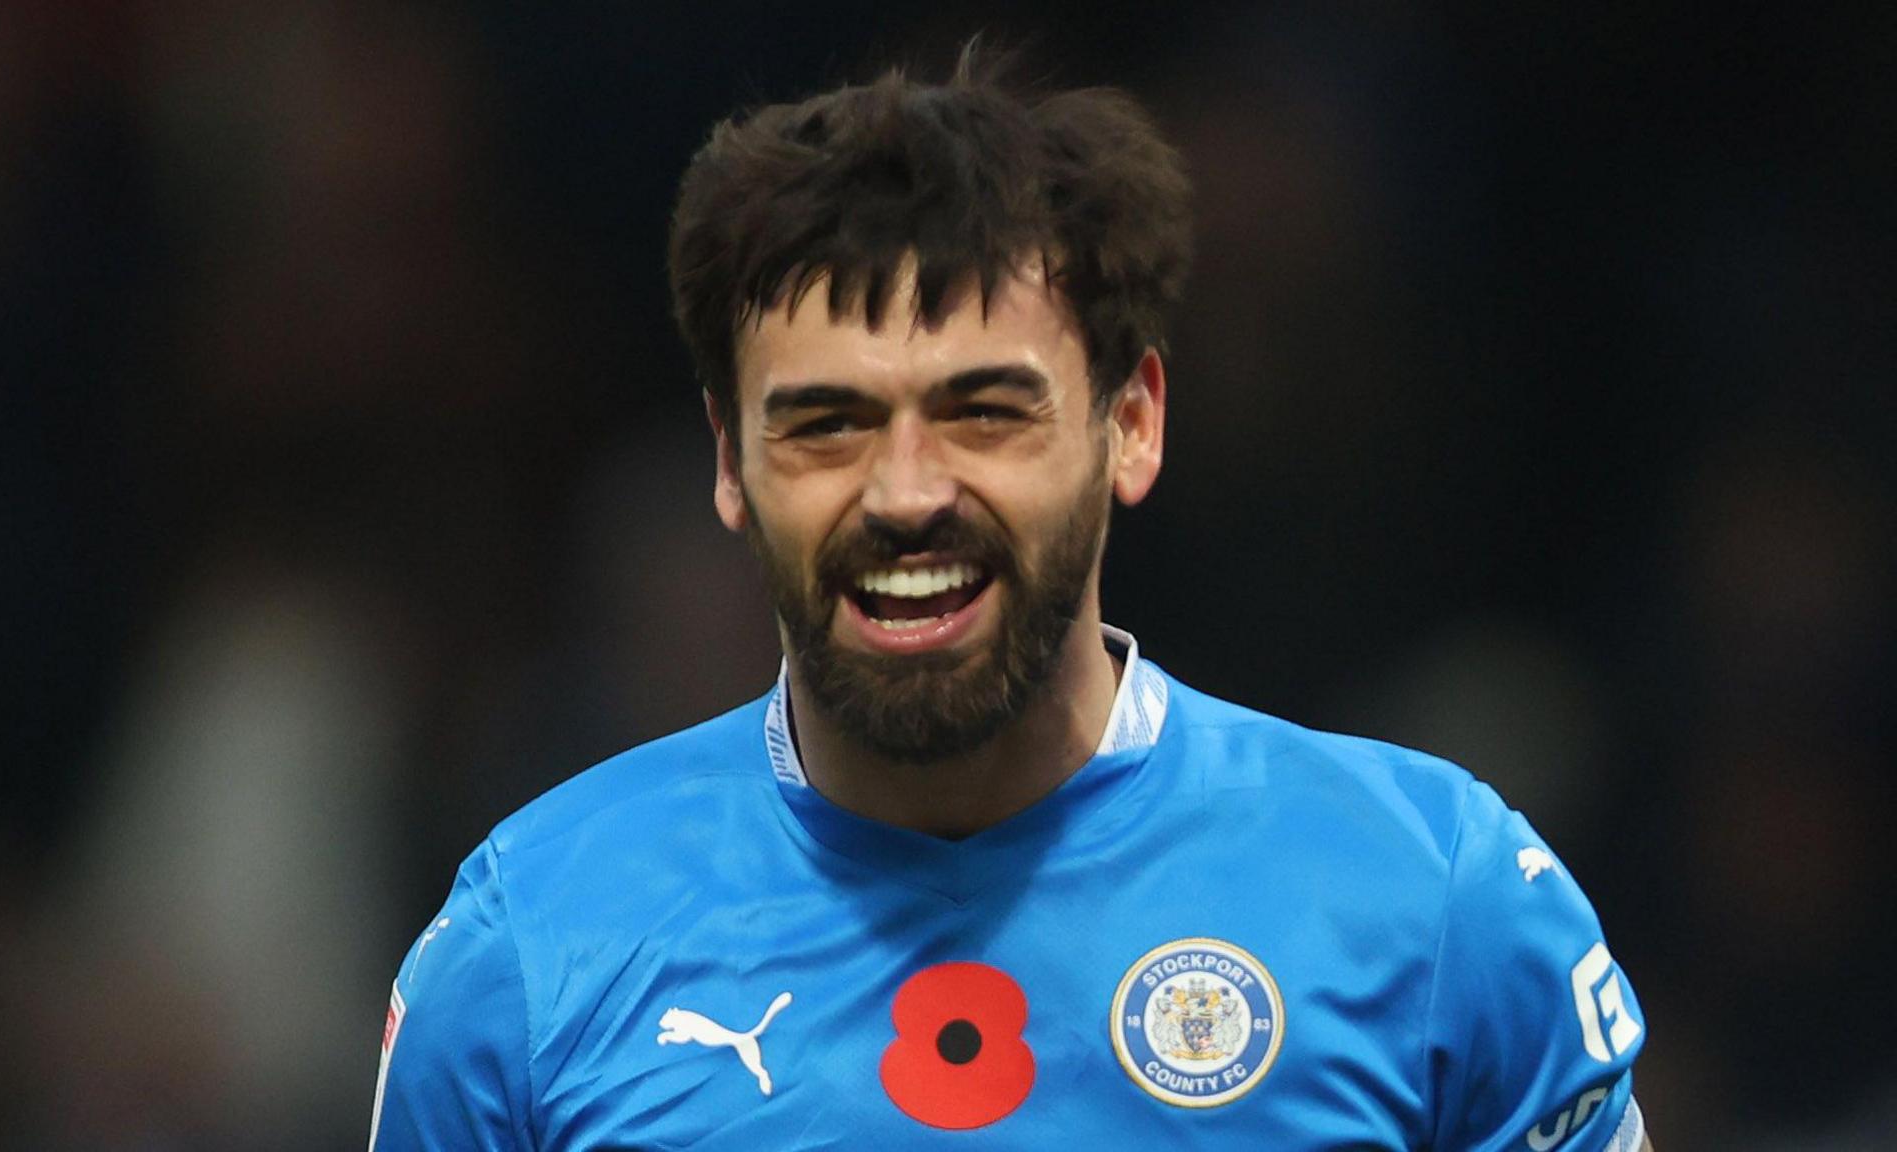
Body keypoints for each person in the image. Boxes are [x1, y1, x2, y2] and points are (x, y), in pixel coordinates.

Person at [369, 49, 1650, 1151]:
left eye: (984, 412)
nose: (906, 492)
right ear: (728, 461)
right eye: (825, 425)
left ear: (1130, 422)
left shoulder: (1438, 909)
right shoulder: (530, 956)